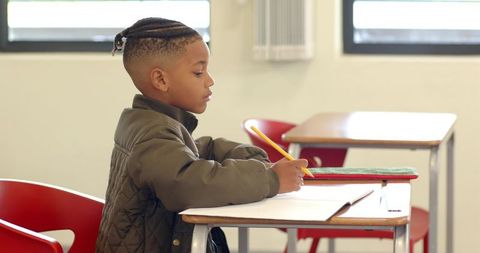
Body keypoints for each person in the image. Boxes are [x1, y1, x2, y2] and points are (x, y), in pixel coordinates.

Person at [95, 17, 307, 253]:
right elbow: (189, 184)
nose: (210, 81)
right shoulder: (152, 135)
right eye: (198, 72)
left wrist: (251, 156)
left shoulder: (148, 122)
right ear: (161, 79)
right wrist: (271, 181)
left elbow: (199, 149)